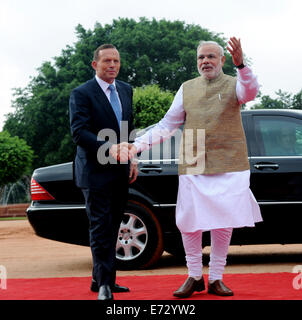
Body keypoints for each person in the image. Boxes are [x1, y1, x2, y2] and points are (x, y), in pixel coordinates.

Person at [119, 37, 263, 298]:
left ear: (222, 60)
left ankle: (217, 278)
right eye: (201, 57)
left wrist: (241, 65)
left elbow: (251, 92)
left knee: (223, 223)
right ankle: (194, 276)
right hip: (194, 163)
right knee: (189, 223)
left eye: (211, 56)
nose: (205, 61)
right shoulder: (186, 88)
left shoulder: (236, 84)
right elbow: (166, 126)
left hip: (229, 163)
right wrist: (135, 146)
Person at [69, 44, 138, 300]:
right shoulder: (81, 93)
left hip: (121, 169)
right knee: (100, 226)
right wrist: (110, 148)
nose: (112, 65)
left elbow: (129, 127)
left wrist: (133, 158)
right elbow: (79, 132)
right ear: (94, 65)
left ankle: (101, 278)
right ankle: (105, 285)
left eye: (116, 61)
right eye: (107, 61)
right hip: (94, 171)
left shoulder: (126, 90)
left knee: (112, 226)